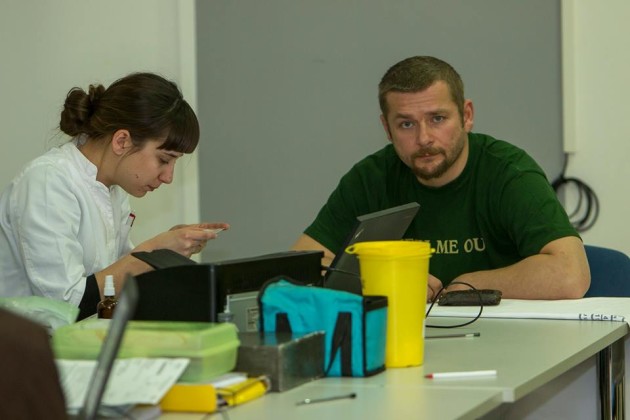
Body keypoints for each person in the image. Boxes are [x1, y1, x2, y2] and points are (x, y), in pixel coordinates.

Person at [292, 56, 590, 301]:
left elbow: (570, 275)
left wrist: (470, 284)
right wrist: (387, 280)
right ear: (386, 128)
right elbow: (298, 269)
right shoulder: (371, 178)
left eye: (437, 119)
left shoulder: (509, 172)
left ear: (466, 115)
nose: (424, 138)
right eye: (406, 124)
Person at [0, 72, 229, 318]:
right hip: (25, 340)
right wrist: (153, 252)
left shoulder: (113, 191)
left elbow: (117, 281)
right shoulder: (48, 182)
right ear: (121, 141)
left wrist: (167, 254)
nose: (168, 177)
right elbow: (66, 306)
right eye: (164, 160)